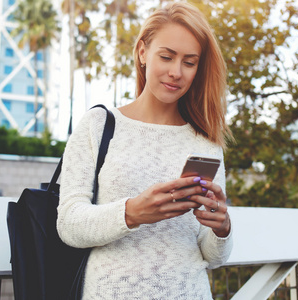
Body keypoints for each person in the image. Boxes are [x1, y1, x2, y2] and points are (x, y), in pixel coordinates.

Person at [57, 2, 233, 299]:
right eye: (166, 56)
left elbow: (213, 257)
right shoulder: (98, 125)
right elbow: (69, 224)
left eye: (189, 63)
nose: (176, 72)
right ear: (142, 53)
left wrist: (222, 229)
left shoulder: (207, 142)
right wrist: (132, 213)